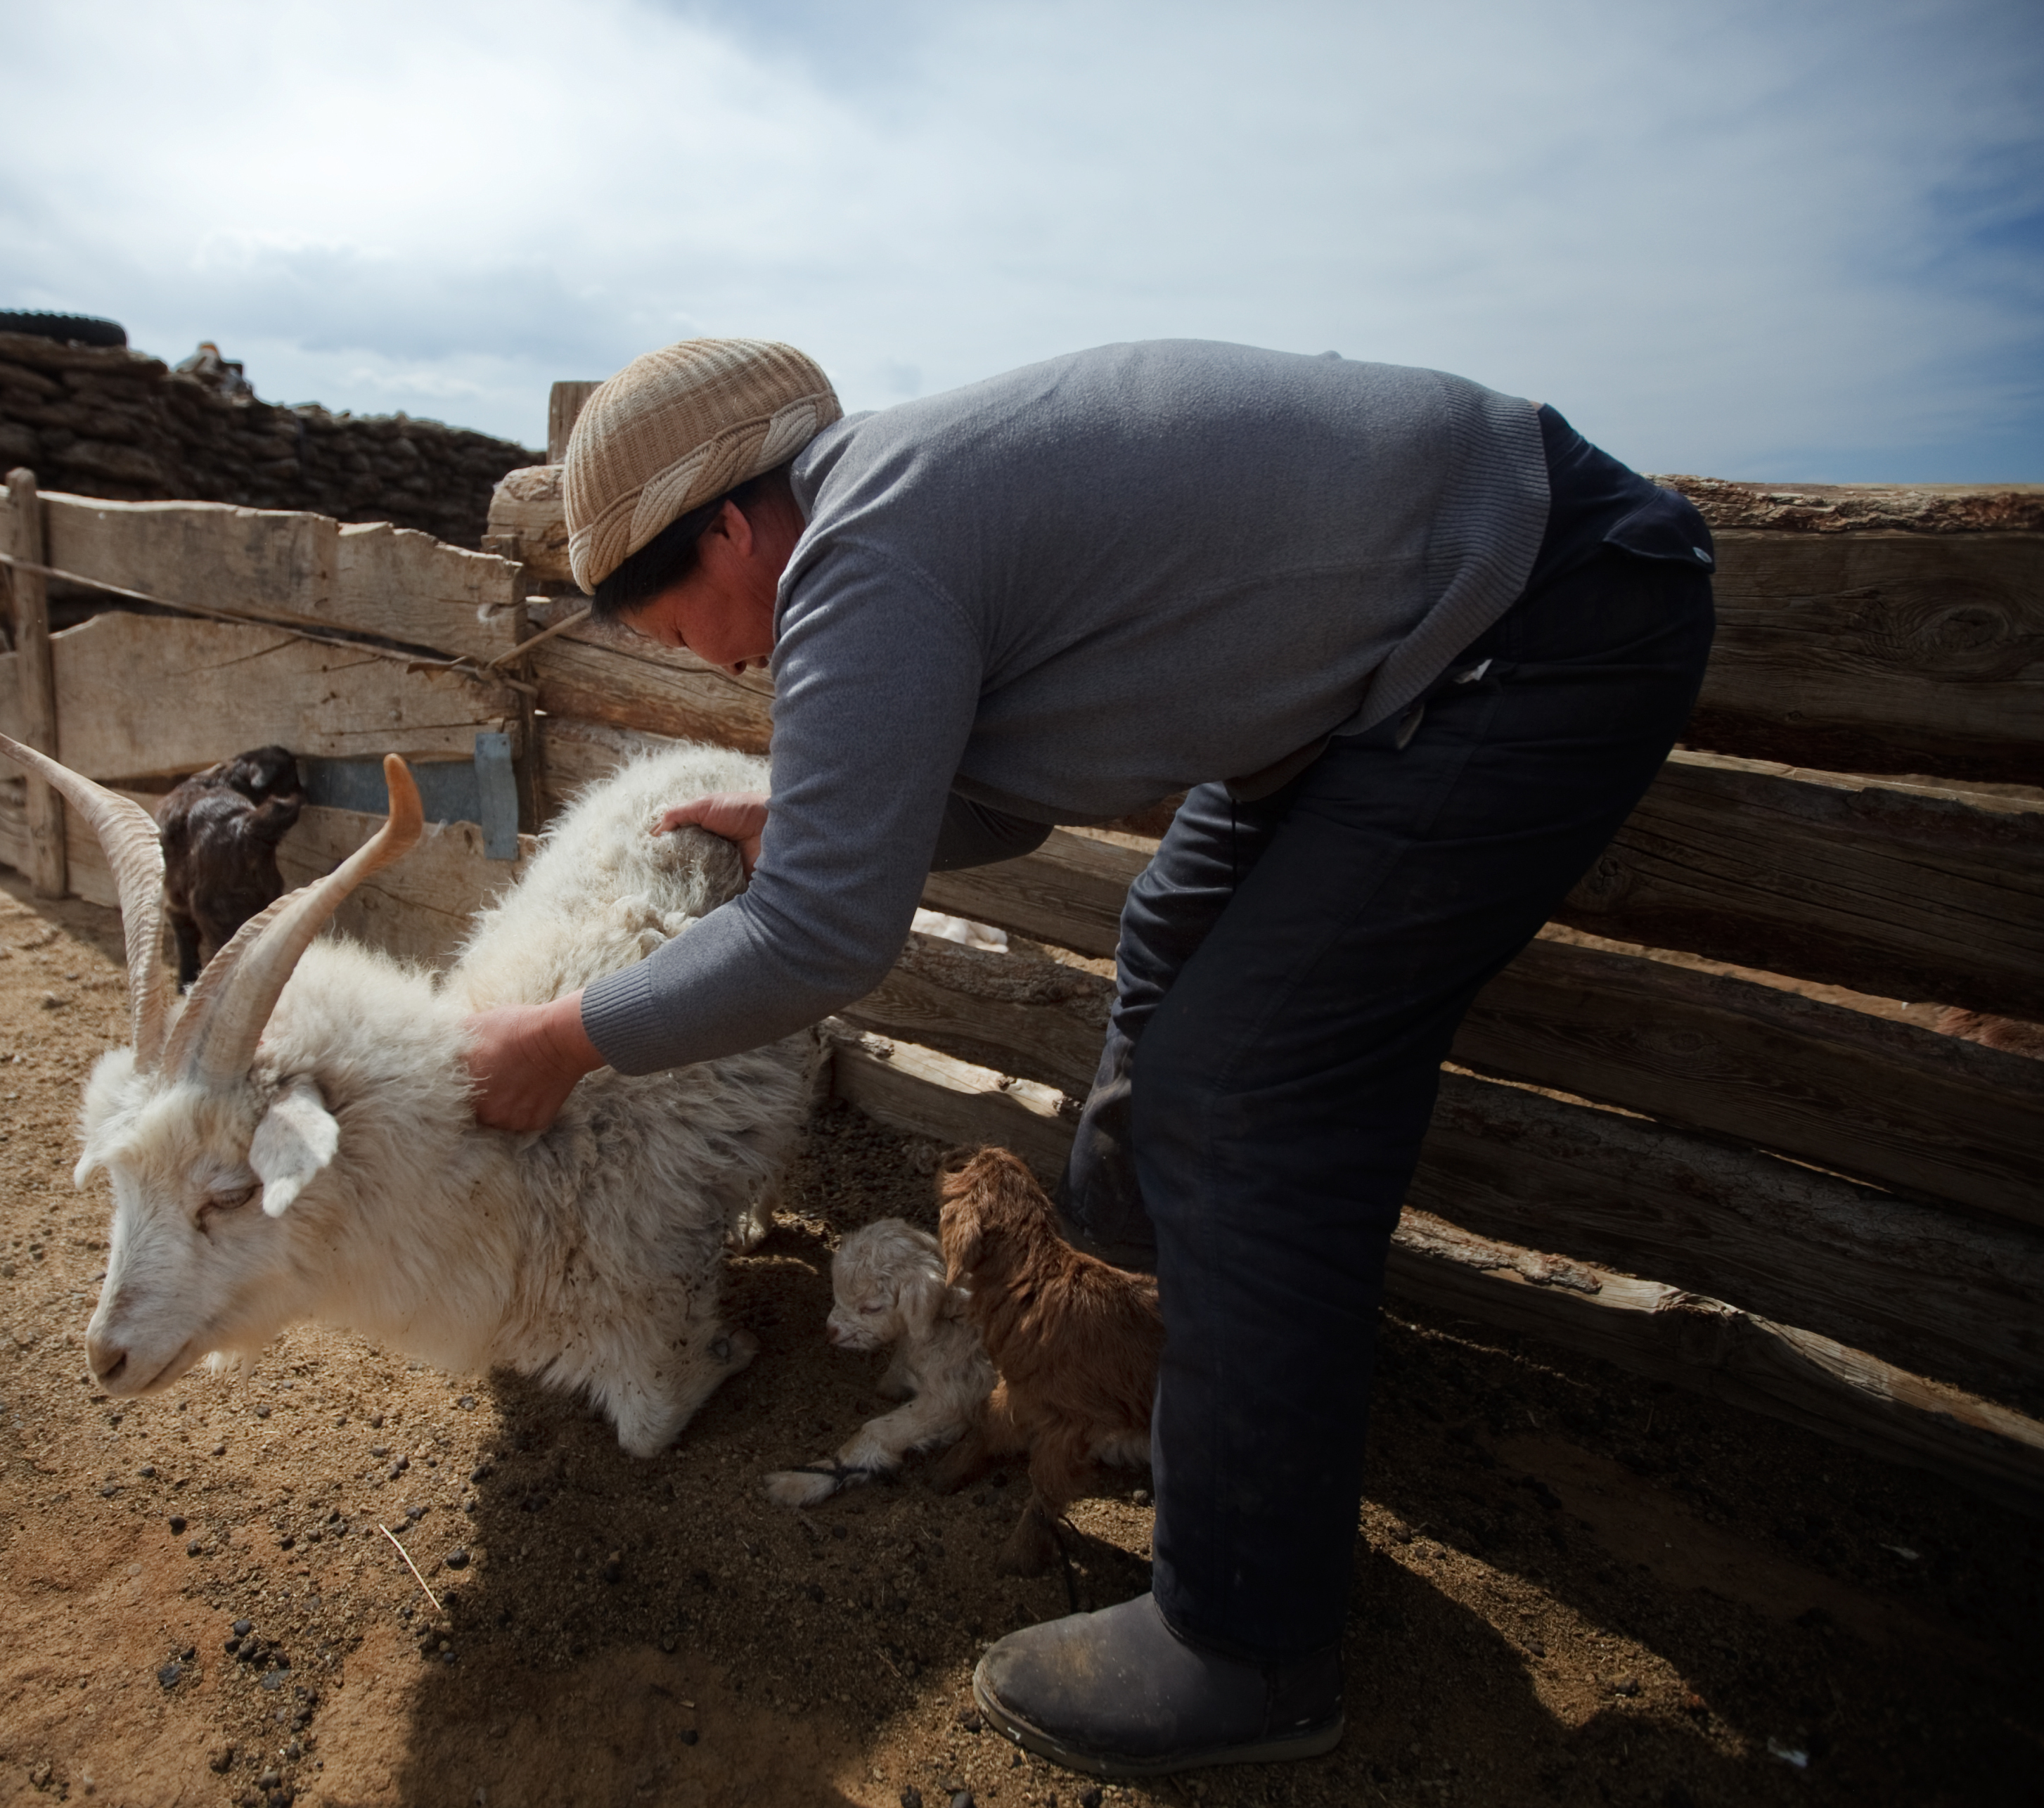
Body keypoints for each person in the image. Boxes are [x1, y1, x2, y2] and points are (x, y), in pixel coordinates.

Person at [465, 336, 1715, 1776]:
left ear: (733, 526)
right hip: (1396, 658)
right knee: (1173, 936)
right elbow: (1006, 800)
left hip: (1529, 617)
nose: (715, 661)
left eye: (680, 624)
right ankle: (1129, 1363)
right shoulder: (896, 506)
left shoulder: (862, 554)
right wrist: (823, 819)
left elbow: (818, 941)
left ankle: (1244, 1638)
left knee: (1240, 1088)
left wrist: (564, 1036)